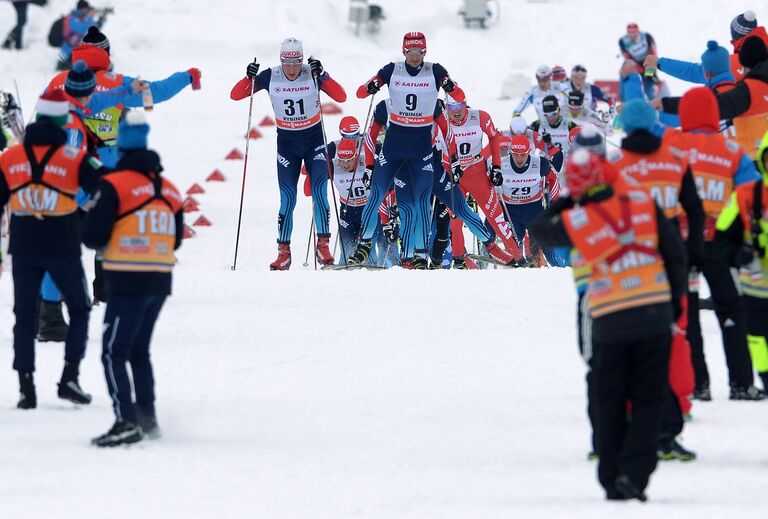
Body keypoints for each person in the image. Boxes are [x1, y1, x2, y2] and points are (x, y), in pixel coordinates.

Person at [532, 149, 687, 502]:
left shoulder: (582, 219)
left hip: (609, 317)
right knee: (650, 398)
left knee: (609, 399)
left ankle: (611, 474)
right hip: (653, 312)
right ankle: (635, 475)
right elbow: (675, 253)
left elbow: (542, 230)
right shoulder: (642, 203)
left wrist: (567, 201)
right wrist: (673, 303)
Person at [0, 90, 108, 409]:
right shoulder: (74, 156)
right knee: (79, 309)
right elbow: (105, 186)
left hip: (23, 246)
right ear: (62, 119)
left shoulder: (9, 157)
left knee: (24, 316)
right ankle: (69, 378)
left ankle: (25, 387)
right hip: (62, 243)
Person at [84, 111, 184, 446]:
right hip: (160, 279)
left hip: (127, 278)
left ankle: (125, 420)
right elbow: (177, 238)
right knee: (139, 350)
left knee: (114, 351)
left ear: (121, 149)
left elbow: (94, 236)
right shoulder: (169, 188)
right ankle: (147, 418)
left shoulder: (113, 183)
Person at [663, 87, 763, 401]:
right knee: (732, 309)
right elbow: (751, 192)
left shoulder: (673, 143)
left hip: (682, 244)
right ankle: (741, 383)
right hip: (720, 244)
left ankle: (697, 384)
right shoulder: (731, 150)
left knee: (688, 313)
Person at [346, 32, 465, 266]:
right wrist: (371, 86)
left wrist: (450, 86)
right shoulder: (392, 70)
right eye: (410, 52)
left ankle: (420, 255)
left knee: (421, 202)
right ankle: (364, 244)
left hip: (421, 149)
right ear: (403, 52)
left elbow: (459, 96)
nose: (415, 57)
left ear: (425, 52)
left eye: (419, 52)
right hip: (393, 147)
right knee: (376, 193)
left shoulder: (435, 70)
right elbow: (360, 93)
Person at [231, 38, 346, 269]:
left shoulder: (311, 73)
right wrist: (249, 77)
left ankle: (322, 246)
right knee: (288, 198)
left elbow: (341, 96)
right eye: (288, 64)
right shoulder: (270, 75)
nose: (292, 69)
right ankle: (284, 252)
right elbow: (236, 95)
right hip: (287, 145)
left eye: (296, 64)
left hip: (314, 141)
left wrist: (323, 75)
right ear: (281, 61)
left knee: (319, 192)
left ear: (302, 60)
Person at [47, 37, 202, 168]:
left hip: (61, 159)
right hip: (105, 158)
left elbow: (42, 114)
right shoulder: (117, 83)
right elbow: (157, 93)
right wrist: (188, 76)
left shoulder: (58, 80)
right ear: (105, 57)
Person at [715, 130, 768, 393]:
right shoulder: (746, 195)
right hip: (755, 288)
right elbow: (722, 238)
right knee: (757, 337)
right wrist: (738, 256)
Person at [443, 94, 522, 264]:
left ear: (465, 104)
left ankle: (517, 256)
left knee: (496, 216)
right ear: (446, 108)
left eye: (459, 106)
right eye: (451, 108)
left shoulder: (480, 117)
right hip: (455, 176)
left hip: (477, 174)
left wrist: (496, 167)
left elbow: (495, 137)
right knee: (455, 218)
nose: (456, 111)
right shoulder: (441, 122)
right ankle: (458, 259)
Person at [662, 36, 768, 159]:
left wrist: (661, 105)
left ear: (706, 74)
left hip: (748, 163)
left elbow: (696, 111)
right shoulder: (742, 90)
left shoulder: (743, 93)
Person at [491, 134, 560, 266]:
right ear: (511, 152)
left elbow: (553, 179)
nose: (519, 158)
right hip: (510, 210)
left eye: (523, 154)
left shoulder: (540, 163)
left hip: (533, 209)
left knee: (539, 243)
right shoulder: (500, 163)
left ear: (529, 152)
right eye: (516, 154)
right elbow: (486, 183)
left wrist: (555, 202)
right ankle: (508, 265)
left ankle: (557, 267)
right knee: (511, 242)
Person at [530, 95, 579, 180]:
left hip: (564, 165)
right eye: (547, 115)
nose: (550, 118)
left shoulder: (569, 125)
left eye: (553, 114)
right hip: (544, 167)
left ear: (559, 110)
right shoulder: (537, 125)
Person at [57, 0, 111, 70]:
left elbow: (93, 29)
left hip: (77, 51)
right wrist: (91, 17)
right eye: (86, 9)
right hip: (68, 52)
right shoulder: (71, 18)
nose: (87, 11)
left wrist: (102, 19)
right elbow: (81, 30)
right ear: (82, 9)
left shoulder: (81, 19)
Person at [618, 22, 659, 99]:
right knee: (624, 74)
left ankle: (654, 105)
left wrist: (650, 72)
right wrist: (639, 70)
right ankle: (624, 102)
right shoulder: (623, 41)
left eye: (634, 33)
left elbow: (653, 54)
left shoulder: (646, 37)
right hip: (634, 64)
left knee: (648, 88)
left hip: (648, 62)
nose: (632, 36)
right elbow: (628, 58)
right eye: (630, 33)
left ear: (638, 32)